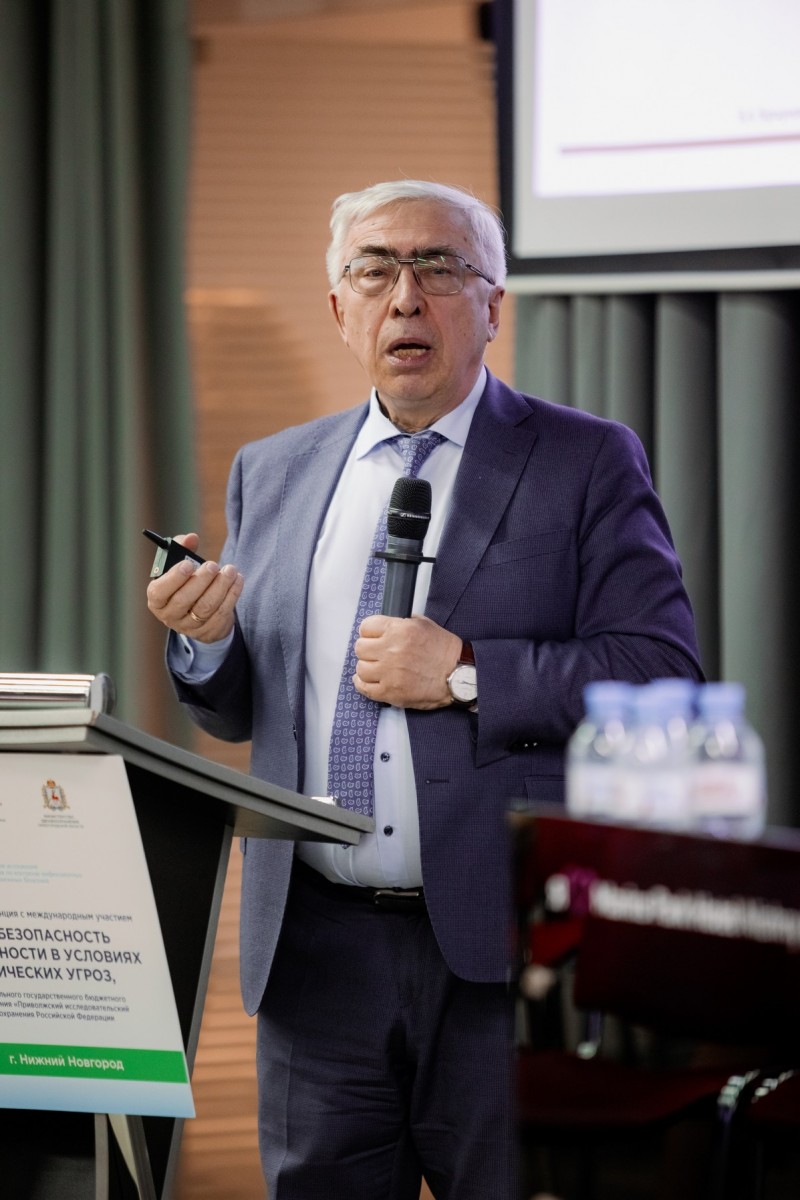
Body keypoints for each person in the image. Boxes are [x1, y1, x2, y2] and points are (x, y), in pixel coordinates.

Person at [146, 179, 702, 1200]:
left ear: (492, 306)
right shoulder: (272, 469)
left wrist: (463, 672)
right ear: (339, 308)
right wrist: (206, 640)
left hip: (496, 951)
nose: (404, 296)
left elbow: (659, 670)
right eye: (374, 270)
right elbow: (237, 710)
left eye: (439, 267)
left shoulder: (582, 459)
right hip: (314, 953)